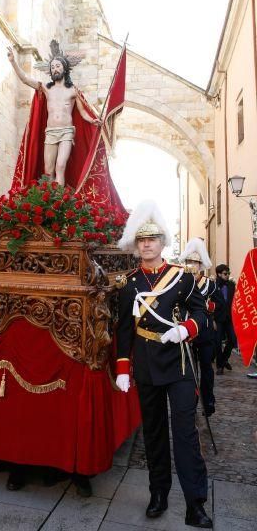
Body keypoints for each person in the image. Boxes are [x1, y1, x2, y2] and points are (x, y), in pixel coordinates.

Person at [115, 200, 212, 529]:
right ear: (136, 244)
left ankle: (195, 503)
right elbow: (124, 330)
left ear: (162, 242)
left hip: (180, 364)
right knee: (154, 435)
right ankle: (158, 493)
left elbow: (202, 316)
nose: (147, 244)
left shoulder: (182, 278)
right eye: (142, 240)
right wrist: (122, 369)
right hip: (145, 364)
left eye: (152, 239)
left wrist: (185, 329)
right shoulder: (129, 284)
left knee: (185, 433)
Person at [7, 40, 100, 185]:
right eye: (52, 67)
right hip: (50, 132)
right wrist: (13, 62)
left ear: (64, 69)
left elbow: (82, 112)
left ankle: (61, 202)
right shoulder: (46, 88)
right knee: (48, 170)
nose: (55, 69)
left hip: (67, 132)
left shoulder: (72, 90)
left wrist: (91, 120)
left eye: (58, 66)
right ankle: (51, 202)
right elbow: (25, 79)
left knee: (60, 166)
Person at [179, 237, 223, 417]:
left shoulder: (210, 285)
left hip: (204, 333)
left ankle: (208, 399)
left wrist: (209, 308)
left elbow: (221, 305)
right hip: (188, 333)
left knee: (206, 368)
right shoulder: (181, 283)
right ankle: (192, 400)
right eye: (189, 261)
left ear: (201, 265)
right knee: (189, 371)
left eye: (196, 262)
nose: (192, 265)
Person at [214, 264, 237, 375]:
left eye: (228, 273)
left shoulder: (232, 285)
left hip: (230, 318)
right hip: (218, 318)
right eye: (225, 274)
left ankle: (223, 359)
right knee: (217, 342)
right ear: (219, 274)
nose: (227, 275)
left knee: (233, 339)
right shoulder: (213, 286)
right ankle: (220, 366)